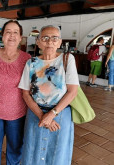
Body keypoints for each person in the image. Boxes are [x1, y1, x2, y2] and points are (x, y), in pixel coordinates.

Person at [18, 25, 79, 165]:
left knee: (57, 153)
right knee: (32, 152)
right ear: (38, 42)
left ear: (60, 42)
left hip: (60, 114)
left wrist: (51, 114)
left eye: (54, 38)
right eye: (45, 38)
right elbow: (25, 93)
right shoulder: (31, 63)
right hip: (35, 113)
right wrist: (42, 116)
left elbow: (72, 91)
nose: (50, 42)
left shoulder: (67, 59)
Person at [0, 20, 31, 165]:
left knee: (16, 147)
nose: (11, 36)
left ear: (20, 36)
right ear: (2, 36)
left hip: (17, 113)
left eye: (15, 32)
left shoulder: (27, 59)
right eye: (8, 32)